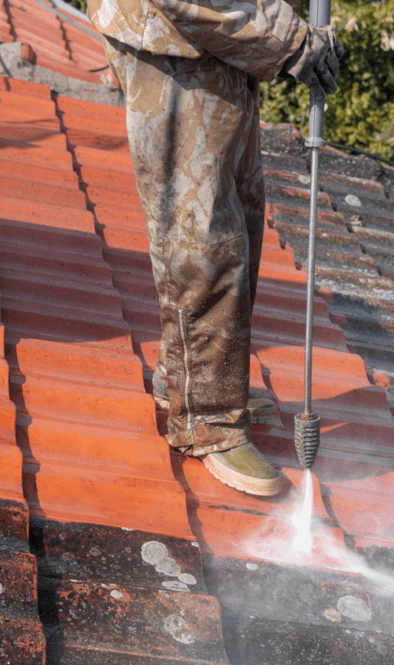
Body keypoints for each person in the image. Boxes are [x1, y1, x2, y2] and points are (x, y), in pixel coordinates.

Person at [86, 0, 343, 496]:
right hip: (176, 40)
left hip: (219, 39)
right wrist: (289, 39)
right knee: (204, 237)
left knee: (239, 218)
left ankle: (191, 380)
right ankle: (207, 420)